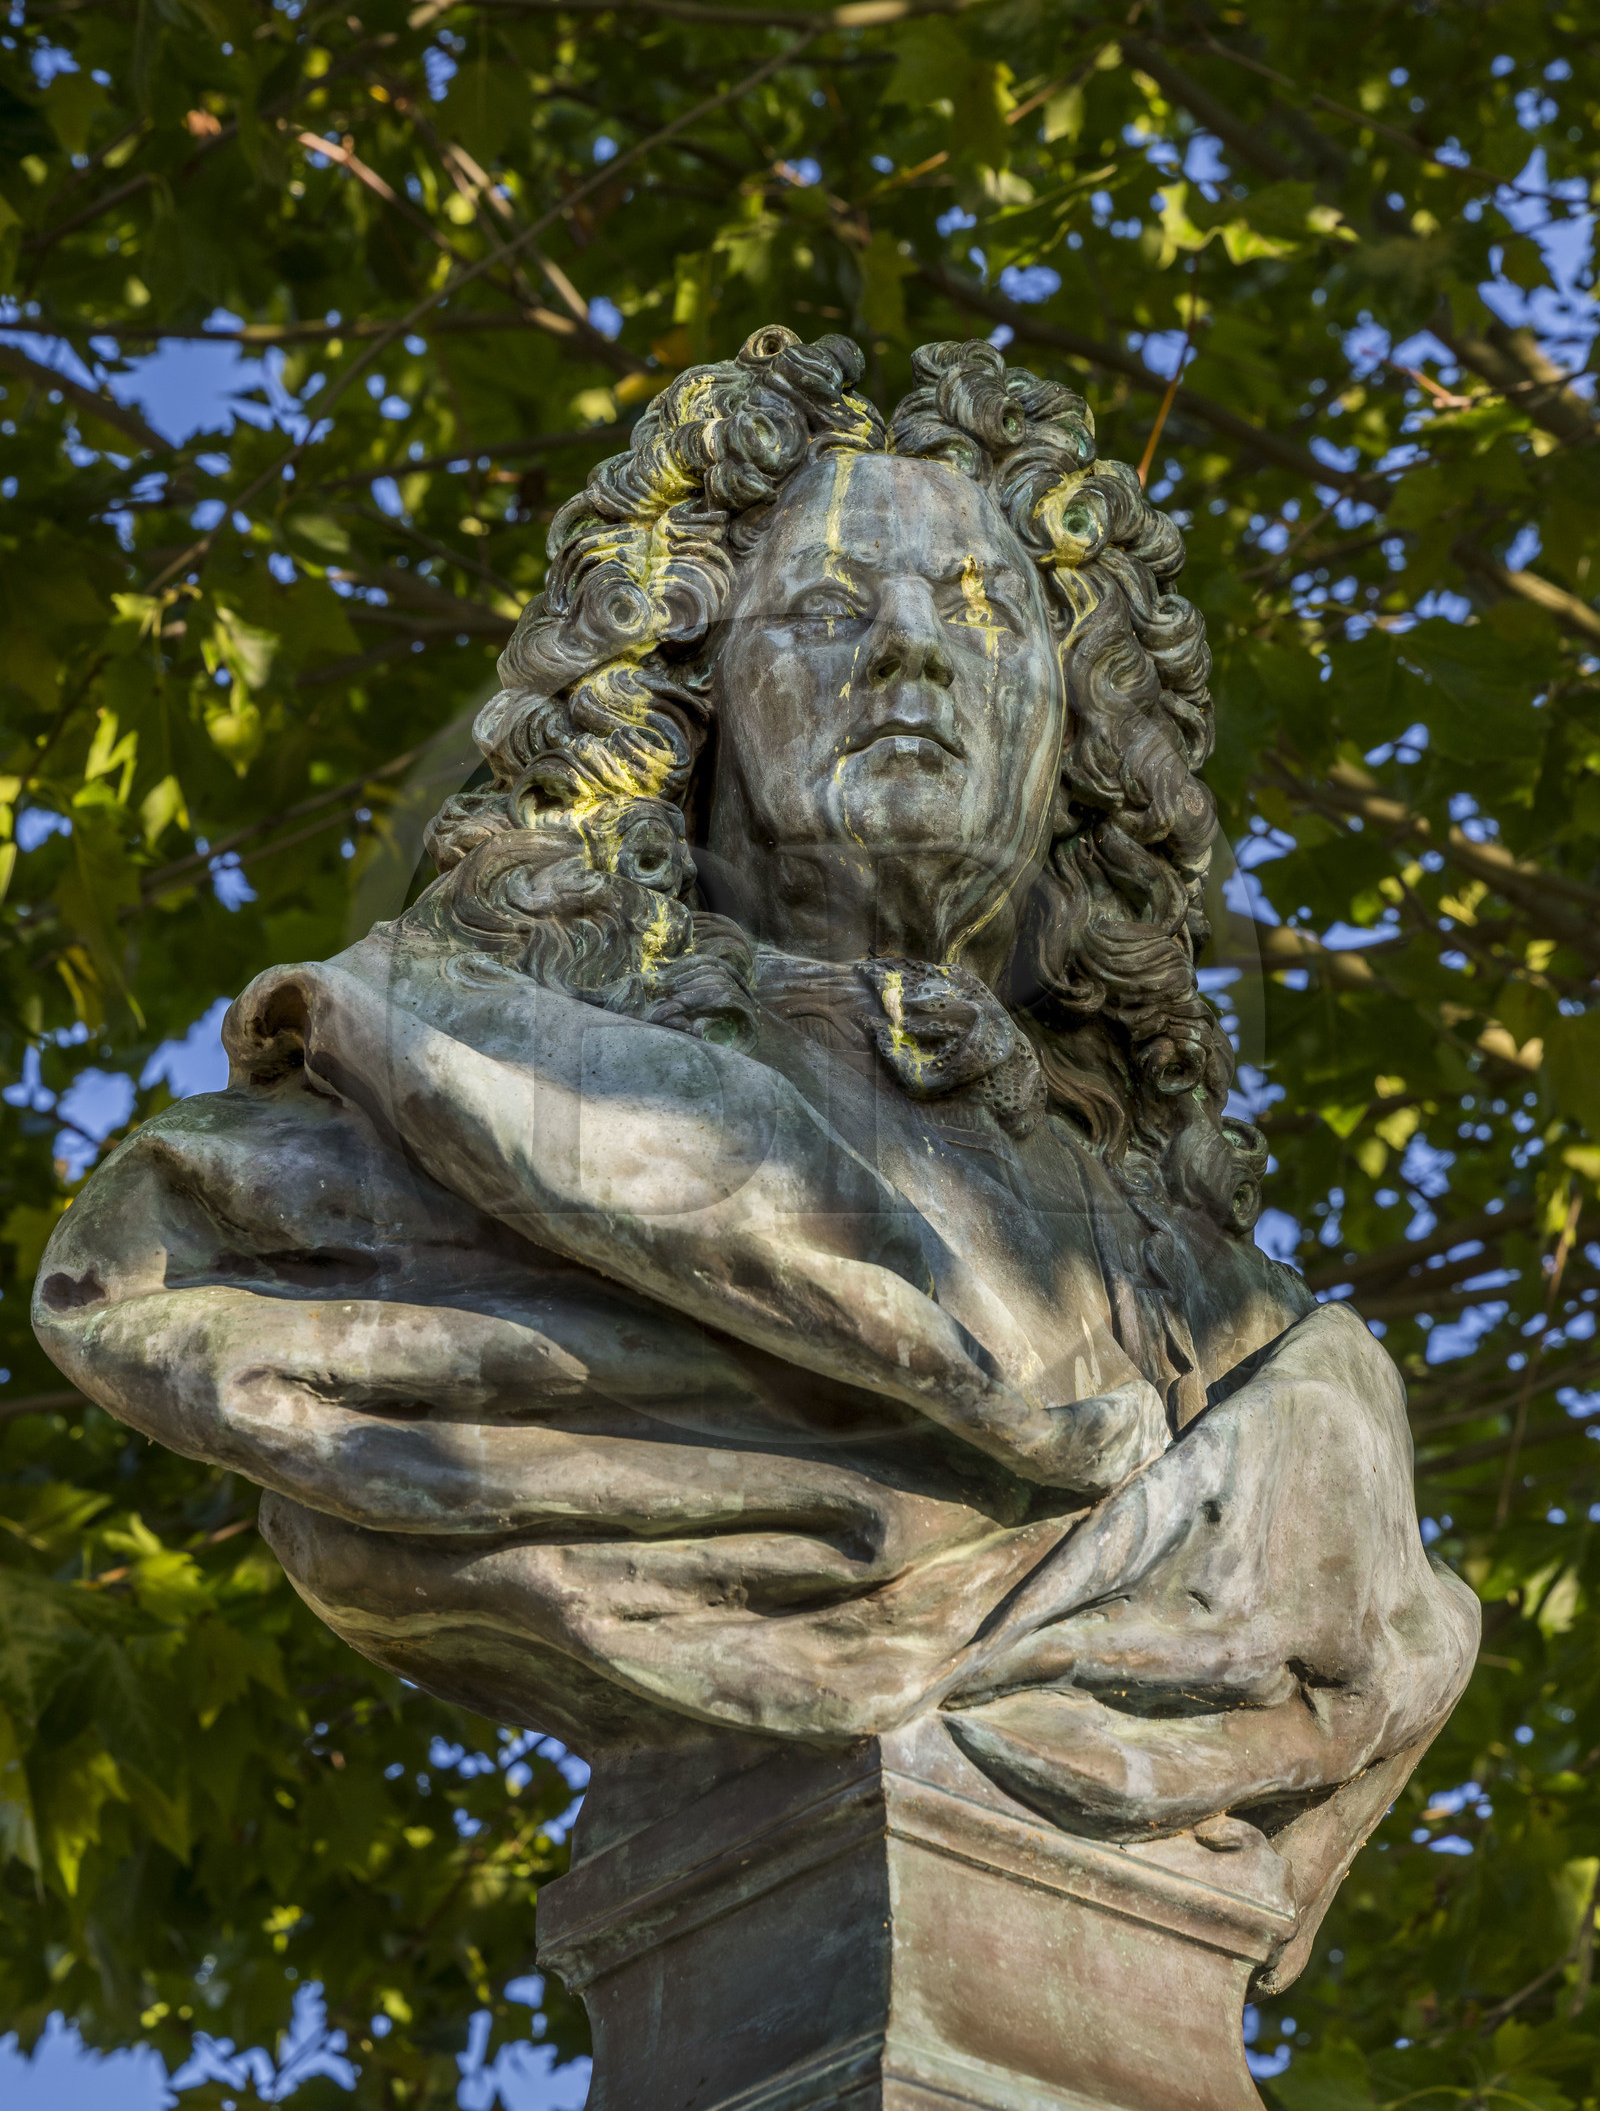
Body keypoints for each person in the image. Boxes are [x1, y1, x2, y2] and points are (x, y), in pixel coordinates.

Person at [35, 329, 1476, 1918]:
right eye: (831, 611)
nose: (913, 657)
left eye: (983, 615)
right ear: (689, 697)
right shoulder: (417, 1116)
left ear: (1080, 735)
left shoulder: (1254, 1357)